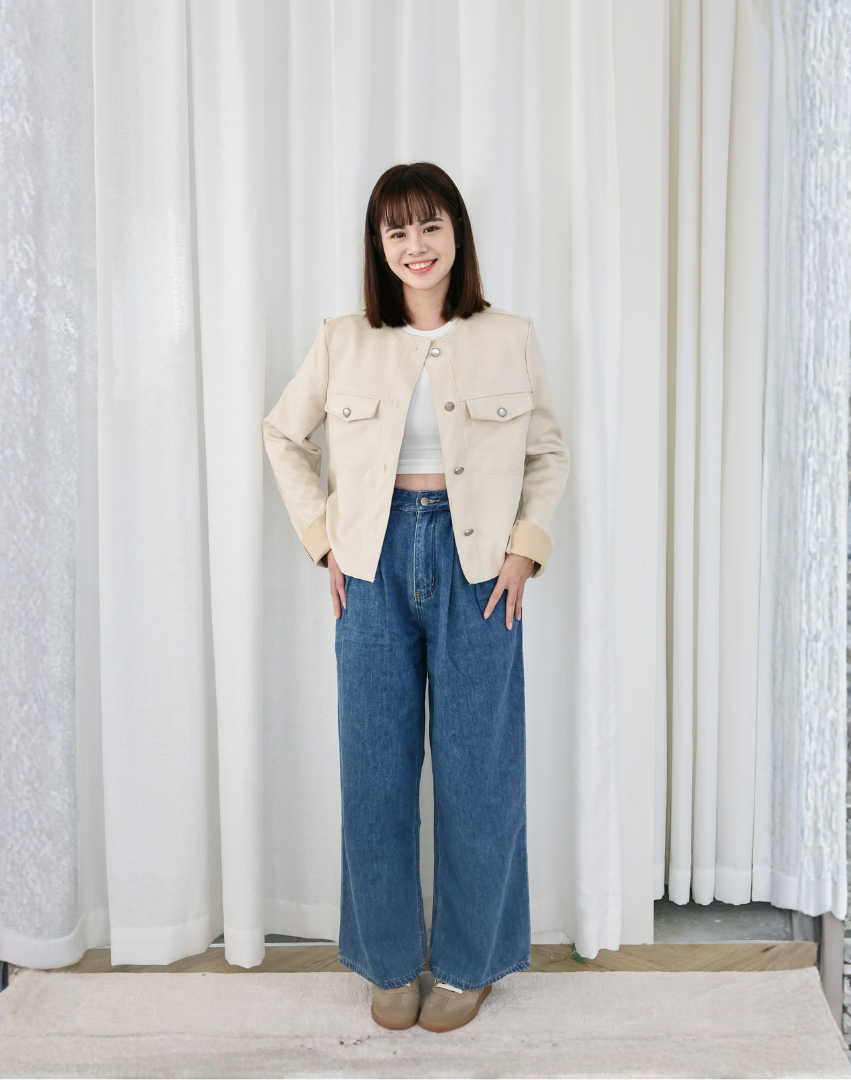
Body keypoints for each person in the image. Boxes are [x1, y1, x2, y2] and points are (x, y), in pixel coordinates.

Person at [262, 162, 569, 1033]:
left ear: (456, 233)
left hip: (481, 570)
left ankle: (470, 965)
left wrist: (524, 550)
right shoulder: (344, 339)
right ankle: (389, 962)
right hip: (371, 563)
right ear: (379, 246)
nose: (415, 245)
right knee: (375, 775)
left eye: (429, 225)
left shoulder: (508, 336)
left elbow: (547, 453)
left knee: (478, 776)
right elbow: (283, 433)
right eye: (396, 230)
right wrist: (325, 540)